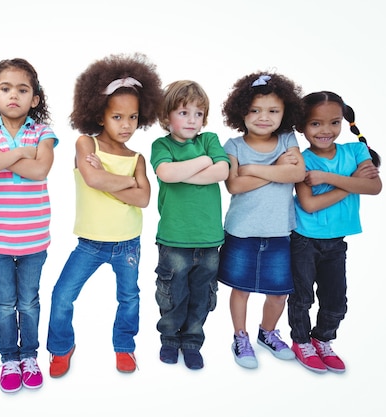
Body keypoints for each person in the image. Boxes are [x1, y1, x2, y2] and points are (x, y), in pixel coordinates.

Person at [46, 53, 163, 377]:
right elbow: (93, 179)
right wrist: (126, 183)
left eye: (133, 117)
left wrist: (118, 182)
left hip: (128, 245)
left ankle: (124, 346)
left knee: (129, 298)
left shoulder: (137, 157)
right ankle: (61, 347)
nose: (126, 125)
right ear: (99, 116)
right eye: (117, 117)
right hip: (90, 244)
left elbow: (144, 199)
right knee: (62, 296)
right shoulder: (86, 144)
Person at [0, 58, 58, 393]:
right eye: (5, 89)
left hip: (34, 239)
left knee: (29, 301)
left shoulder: (44, 131)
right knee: (4, 303)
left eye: (22, 89)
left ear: (35, 98)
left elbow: (41, 170)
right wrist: (21, 153)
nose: (13, 95)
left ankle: (29, 356)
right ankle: (8, 359)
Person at [288, 91, 382, 373]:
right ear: (302, 126)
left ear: (344, 122)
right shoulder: (301, 160)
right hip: (304, 239)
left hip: (335, 243)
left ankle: (322, 339)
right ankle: (301, 342)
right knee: (302, 297)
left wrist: (328, 178)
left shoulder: (355, 151)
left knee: (336, 301)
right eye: (316, 124)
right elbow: (309, 203)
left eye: (334, 123)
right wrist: (351, 183)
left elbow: (374, 188)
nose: (326, 130)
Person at [218, 72, 306, 369]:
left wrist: (252, 170)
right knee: (240, 289)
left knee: (279, 292)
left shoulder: (287, 139)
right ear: (241, 111)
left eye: (273, 111)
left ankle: (267, 333)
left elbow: (296, 174)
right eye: (255, 110)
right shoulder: (233, 145)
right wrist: (275, 167)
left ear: (285, 113)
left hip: (280, 230)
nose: (263, 117)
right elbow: (233, 185)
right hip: (242, 230)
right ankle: (240, 336)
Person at [151, 80, 230, 370]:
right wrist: (203, 163)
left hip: (209, 239)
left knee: (202, 295)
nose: (192, 120)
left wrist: (189, 169)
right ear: (166, 116)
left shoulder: (209, 140)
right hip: (175, 238)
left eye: (198, 113)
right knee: (172, 294)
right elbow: (166, 173)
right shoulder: (161, 145)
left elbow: (222, 170)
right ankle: (170, 339)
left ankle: (192, 341)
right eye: (184, 113)